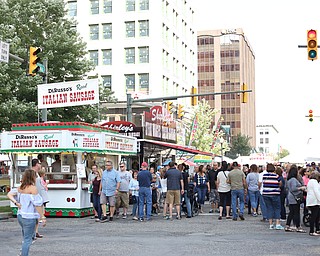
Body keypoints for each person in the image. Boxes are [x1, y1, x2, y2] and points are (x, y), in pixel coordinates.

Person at [7, 169, 46, 256]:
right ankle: (23, 253)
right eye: (35, 177)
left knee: (27, 237)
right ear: (33, 177)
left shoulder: (20, 187)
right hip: (29, 216)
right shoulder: (33, 189)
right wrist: (42, 217)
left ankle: (23, 251)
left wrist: (16, 203)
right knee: (28, 239)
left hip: (21, 215)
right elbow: (37, 205)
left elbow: (9, 194)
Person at [259, 163, 284, 230]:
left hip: (266, 193)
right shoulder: (276, 176)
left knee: (269, 208)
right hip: (275, 193)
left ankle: (271, 224)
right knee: (277, 208)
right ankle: (277, 223)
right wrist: (278, 186)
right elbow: (280, 183)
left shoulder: (264, 176)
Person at [285, 165, 306, 233]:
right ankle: (298, 226)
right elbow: (294, 188)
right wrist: (301, 188)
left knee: (291, 212)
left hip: (291, 196)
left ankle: (288, 225)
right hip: (295, 197)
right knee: (296, 212)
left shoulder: (289, 179)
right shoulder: (294, 180)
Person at [31, 158, 44, 239]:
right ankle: (32, 232)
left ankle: (36, 231)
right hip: (33, 196)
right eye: (39, 163)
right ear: (36, 164)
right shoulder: (32, 173)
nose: (40, 165)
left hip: (38, 195)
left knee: (37, 215)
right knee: (34, 214)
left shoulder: (37, 173)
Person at [306, 171, 320, 236]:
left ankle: (317, 229)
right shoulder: (314, 182)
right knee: (314, 216)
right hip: (314, 201)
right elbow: (316, 191)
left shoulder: (310, 181)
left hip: (311, 201)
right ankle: (312, 231)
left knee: (316, 216)